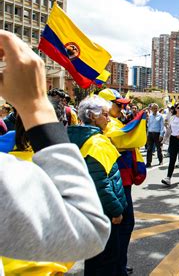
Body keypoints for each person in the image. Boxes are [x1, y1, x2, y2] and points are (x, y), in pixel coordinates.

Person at [0, 30, 110, 273]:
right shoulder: (21, 170)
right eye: (104, 113)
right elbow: (88, 230)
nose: (109, 117)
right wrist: (37, 106)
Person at [70, 96, 127, 275]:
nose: (108, 118)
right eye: (104, 114)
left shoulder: (78, 136)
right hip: (103, 213)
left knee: (95, 260)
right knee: (106, 261)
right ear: (92, 117)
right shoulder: (96, 143)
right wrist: (116, 210)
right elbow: (101, 183)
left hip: (88, 210)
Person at [99, 88, 146, 276]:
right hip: (116, 181)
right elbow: (126, 139)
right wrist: (138, 121)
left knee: (123, 225)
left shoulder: (114, 122)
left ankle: (119, 263)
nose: (121, 109)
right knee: (122, 224)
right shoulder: (108, 126)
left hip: (122, 180)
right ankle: (117, 267)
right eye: (118, 105)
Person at [146, 103, 165, 167]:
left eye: (156, 108)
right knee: (149, 149)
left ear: (158, 109)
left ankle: (160, 160)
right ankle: (148, 163)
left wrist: (161, 135)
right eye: (153, 108)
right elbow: (148, 125)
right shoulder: (150, 116)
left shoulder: (160, 116)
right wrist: (147, 133)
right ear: (151, 109)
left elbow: (162, 126)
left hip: (157, 134)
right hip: (150, 134)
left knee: (159, 148)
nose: (155, 109)